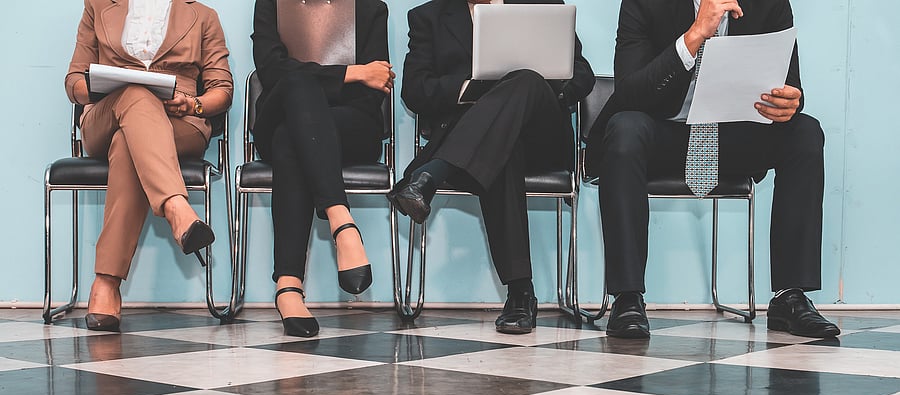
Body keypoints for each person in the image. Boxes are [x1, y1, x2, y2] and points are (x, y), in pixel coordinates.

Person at [585, 0, 840, 339]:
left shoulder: (770, 4)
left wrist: (790, 101)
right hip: (665, 133)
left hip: (733, 137)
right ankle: (627, 297)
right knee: (625, 130)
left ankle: (790, 297)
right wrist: (693, 36)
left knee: (805, 133)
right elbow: (630, 92)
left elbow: (788, 84)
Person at [388, 0, 594, 334]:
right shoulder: (428, 16)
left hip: (543, 134)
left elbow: (581, 74)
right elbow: (414, 90)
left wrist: (536, 89)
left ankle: (431, 175)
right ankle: (520, 293)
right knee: (503, 147)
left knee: (525, 80)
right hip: (481, 142)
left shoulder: (541, 7)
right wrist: (473, 90)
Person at [65, 0, 233, 332]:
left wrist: (194, 103)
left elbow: (222, 91)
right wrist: (106, 85)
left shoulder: (203, 15)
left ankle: (106, 282)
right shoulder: (98, 6)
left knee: (129, 144)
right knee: (135, 93)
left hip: (178, 120)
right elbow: (74, 81)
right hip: (108, 112)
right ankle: (175, 206)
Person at [252, 0, 393, 337]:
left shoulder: (371, 7)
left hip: (351, 125)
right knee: (297, 85)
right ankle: (342, 222)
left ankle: (288, 287)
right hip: (280, 114)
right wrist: (354, 72)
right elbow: (272, 71)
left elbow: (377, 86)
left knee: (294, 137)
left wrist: (325, 80)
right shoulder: (271, 2)